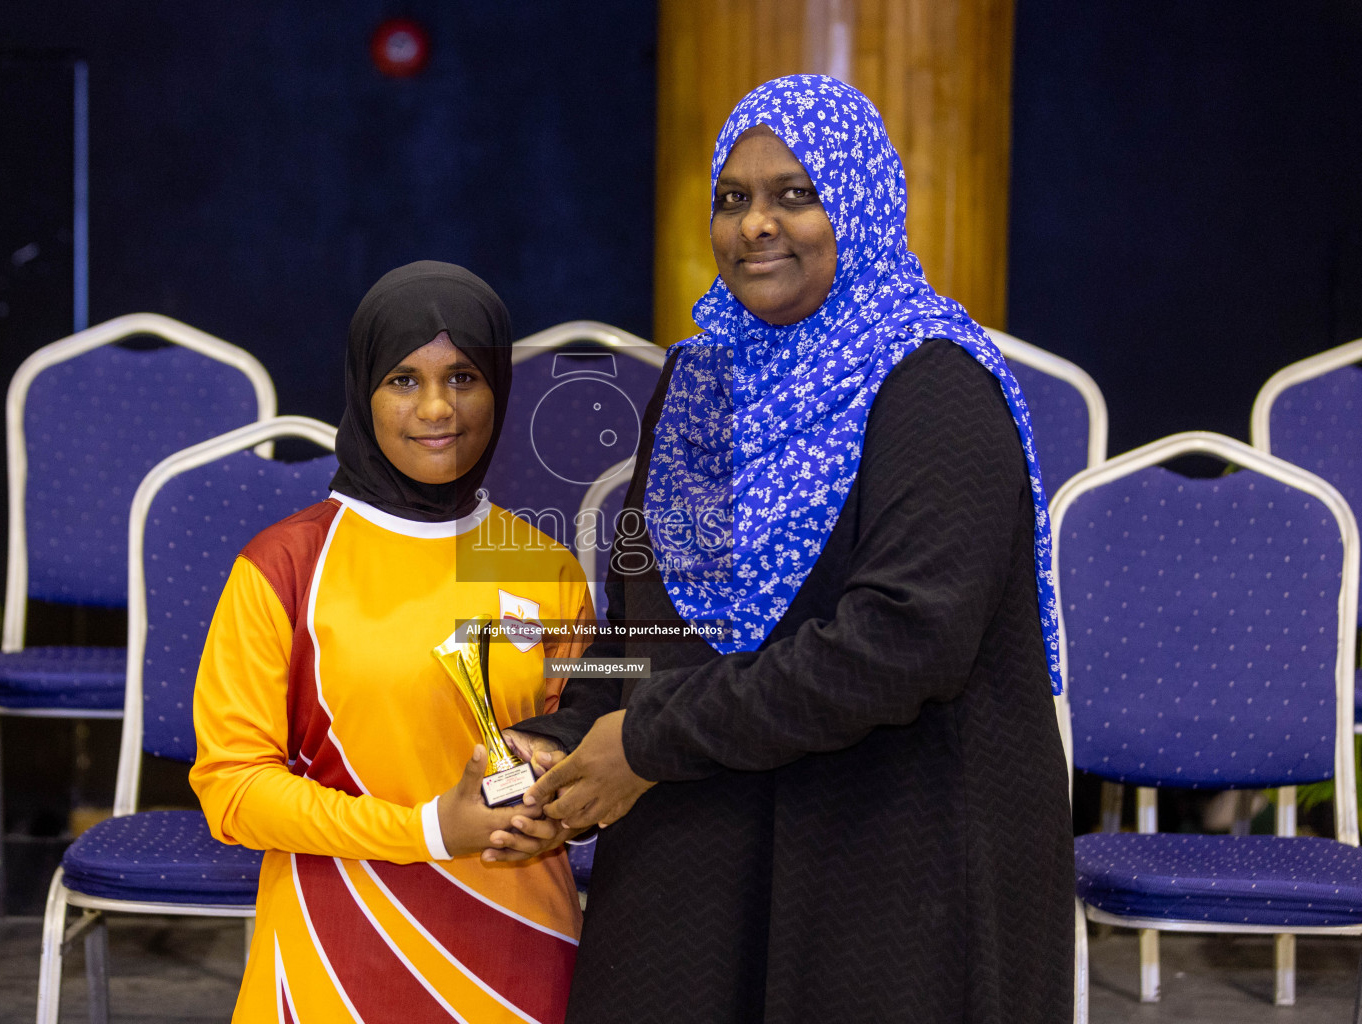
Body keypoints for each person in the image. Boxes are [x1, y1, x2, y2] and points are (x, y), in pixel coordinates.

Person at [494, 76, 1075, 1023]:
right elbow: (645, 619)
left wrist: (645, 741)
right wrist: (556, 741)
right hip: (707, 816)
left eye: (794, 194)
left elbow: (902, 644)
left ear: (859, 204)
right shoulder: (702, 385)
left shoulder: (933, 383)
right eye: (734, 198)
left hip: (895, 838)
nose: (756, 224)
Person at [191, 261, 592, 1024]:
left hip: (520, 938)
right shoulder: (284, 565)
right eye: (404, 379)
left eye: (465, 376)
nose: (438, 408)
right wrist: (429, 831)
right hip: (335, 943)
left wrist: (568, 803)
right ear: (363, 389)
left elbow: (584, 729)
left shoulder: (543, 562)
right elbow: (233, 789)